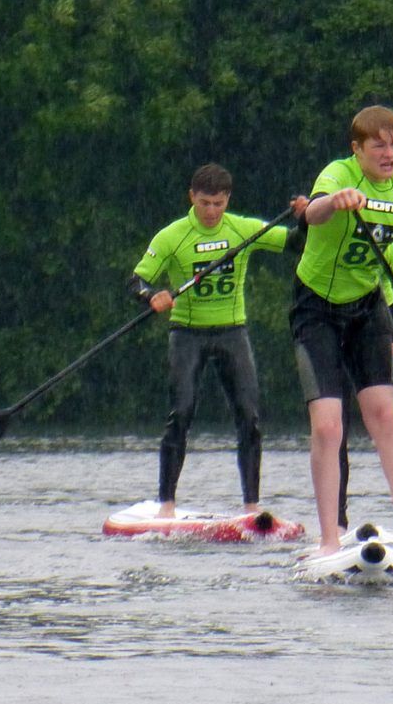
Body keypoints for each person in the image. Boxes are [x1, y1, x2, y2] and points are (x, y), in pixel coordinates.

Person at [291, 105, 393, 556]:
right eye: (378, 144)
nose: (389, 153)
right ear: (357, 149)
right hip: (315, 308)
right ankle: (327, 540)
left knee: (384, 415)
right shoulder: (338, 173)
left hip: (369, 308)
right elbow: (312, 213)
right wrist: (333, 202)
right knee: (327, 427)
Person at [129, 163, 306, 518]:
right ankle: (166, 504)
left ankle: (251, 505)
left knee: (249, 416)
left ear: (228, 200)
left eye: (219, 203)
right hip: (187, 334)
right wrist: (152, 296)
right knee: (181, 413)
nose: (212, 212)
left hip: (232, 332)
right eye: (205, 203)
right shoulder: (172, 236)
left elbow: (295, 243)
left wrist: (304, 218)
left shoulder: (241, 227)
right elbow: (136, 280)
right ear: (192, 197)